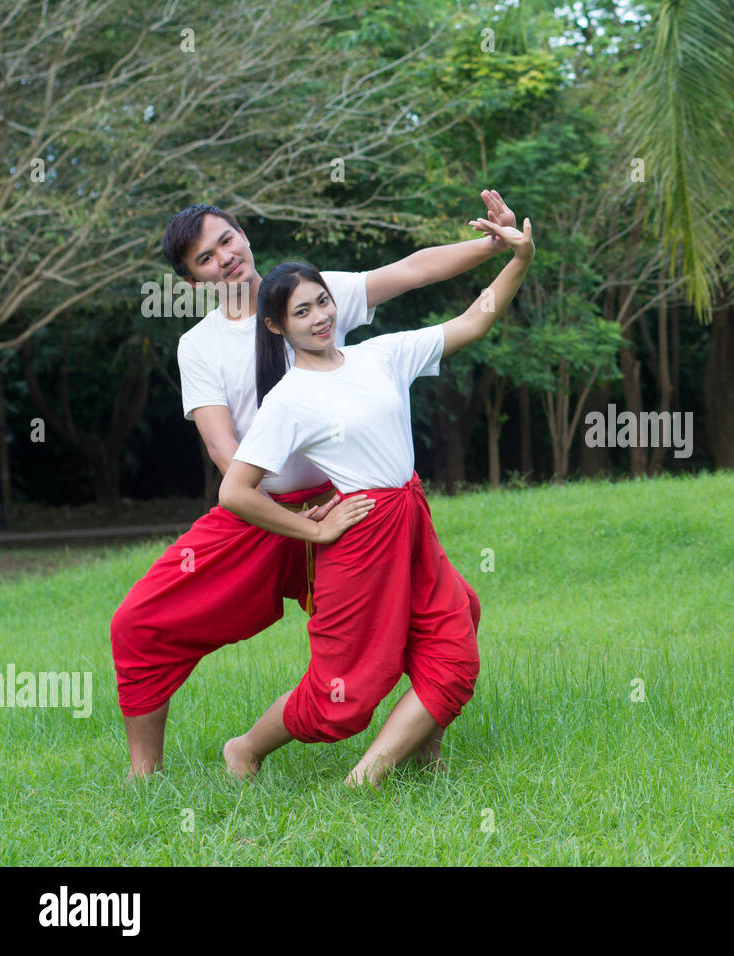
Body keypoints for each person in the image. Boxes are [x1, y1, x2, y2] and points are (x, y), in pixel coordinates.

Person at [110, 193, 515, 778]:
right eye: (205, 258)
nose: (223, 258)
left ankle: (421, 745)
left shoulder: (310, 294)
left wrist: (494, 244)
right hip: (259, 510)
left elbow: (411, 270)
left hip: (347, 503)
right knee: (138, 622)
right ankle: (143, 775)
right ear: (190, 278)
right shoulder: (198, 346)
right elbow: (226, 453)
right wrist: (299, 525)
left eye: (226, 240)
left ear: (243, 235)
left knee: (454, 609)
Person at [218, 214, 533, 787]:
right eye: (302, 312)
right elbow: (234, 491)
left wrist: (518, 260)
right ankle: (244, 748)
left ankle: (370, 778)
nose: (320, 318)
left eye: (322, 303)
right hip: (360, 542)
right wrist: (313, 532)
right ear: (277, 326)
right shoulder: (288, 400)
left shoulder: (380, 355)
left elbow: (472, 322)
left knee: (456, 634)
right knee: (342, 697)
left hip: (411, 524)